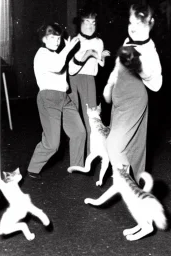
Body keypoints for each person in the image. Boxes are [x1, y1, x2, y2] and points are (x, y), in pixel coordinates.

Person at [103, 4, 163, 184]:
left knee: (113, 144)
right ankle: (137, 183)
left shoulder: (149, 51)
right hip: (119, 98)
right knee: (132, 145)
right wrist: (109, 84)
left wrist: (141, 68)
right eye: (131, 22)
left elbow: (156, 84)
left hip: (134, 100)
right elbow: (116, 67)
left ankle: (125, 183)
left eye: (140, 23)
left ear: (150, 24)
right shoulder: (128, 41)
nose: (133, 27)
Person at [27, 23, 86, 179]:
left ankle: (77, 167)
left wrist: (78, 55)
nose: (56, 41)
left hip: (64, 98)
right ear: (44, 39)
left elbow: (71, 70)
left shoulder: (58, 54)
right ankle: (33, 168)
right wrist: (67, 50)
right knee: (53, 144)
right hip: (48, 98)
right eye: (52, 37)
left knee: (79, 132)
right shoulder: (42, 53)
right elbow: (57, 66)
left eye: (58, 38)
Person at [69, 7, 110, 157]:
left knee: (92, 120)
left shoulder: (99, 42)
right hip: (73, 79)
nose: (90, 26)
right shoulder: (73, 41)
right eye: (86, 22)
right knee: (74, 119)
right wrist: (87, 54)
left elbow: (101, 64)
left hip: (89, 79)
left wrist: (102, 56)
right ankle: (76, 160)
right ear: (80, 24)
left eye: (93, 22)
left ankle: (92, 155)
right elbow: (70, 69)